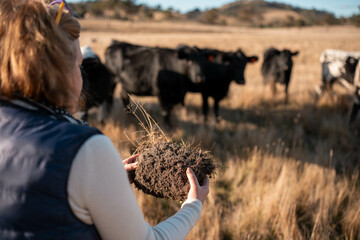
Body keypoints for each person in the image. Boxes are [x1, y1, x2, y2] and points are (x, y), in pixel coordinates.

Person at [0, 1, 210, 239]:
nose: (81, 77)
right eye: (79, 65)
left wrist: (104, 178)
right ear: (59, 71)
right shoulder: (83, 149)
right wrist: (193, 205)